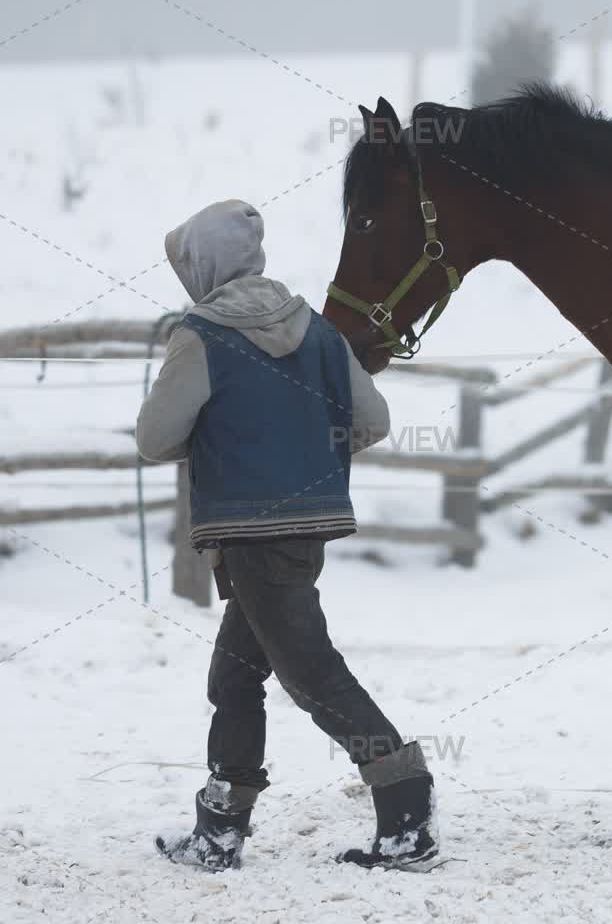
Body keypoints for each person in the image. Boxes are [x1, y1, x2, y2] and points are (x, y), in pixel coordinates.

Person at [138, 198, 436, 871]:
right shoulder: (319, 331)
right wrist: (310, 454)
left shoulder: (200, 335)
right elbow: (374, 420)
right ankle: (220, 828)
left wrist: (222, 438)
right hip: (306, 531)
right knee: (236, 677)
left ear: (206, 264)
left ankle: (408, 807)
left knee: (311, 675)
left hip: (248, 536)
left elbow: (156, 439)